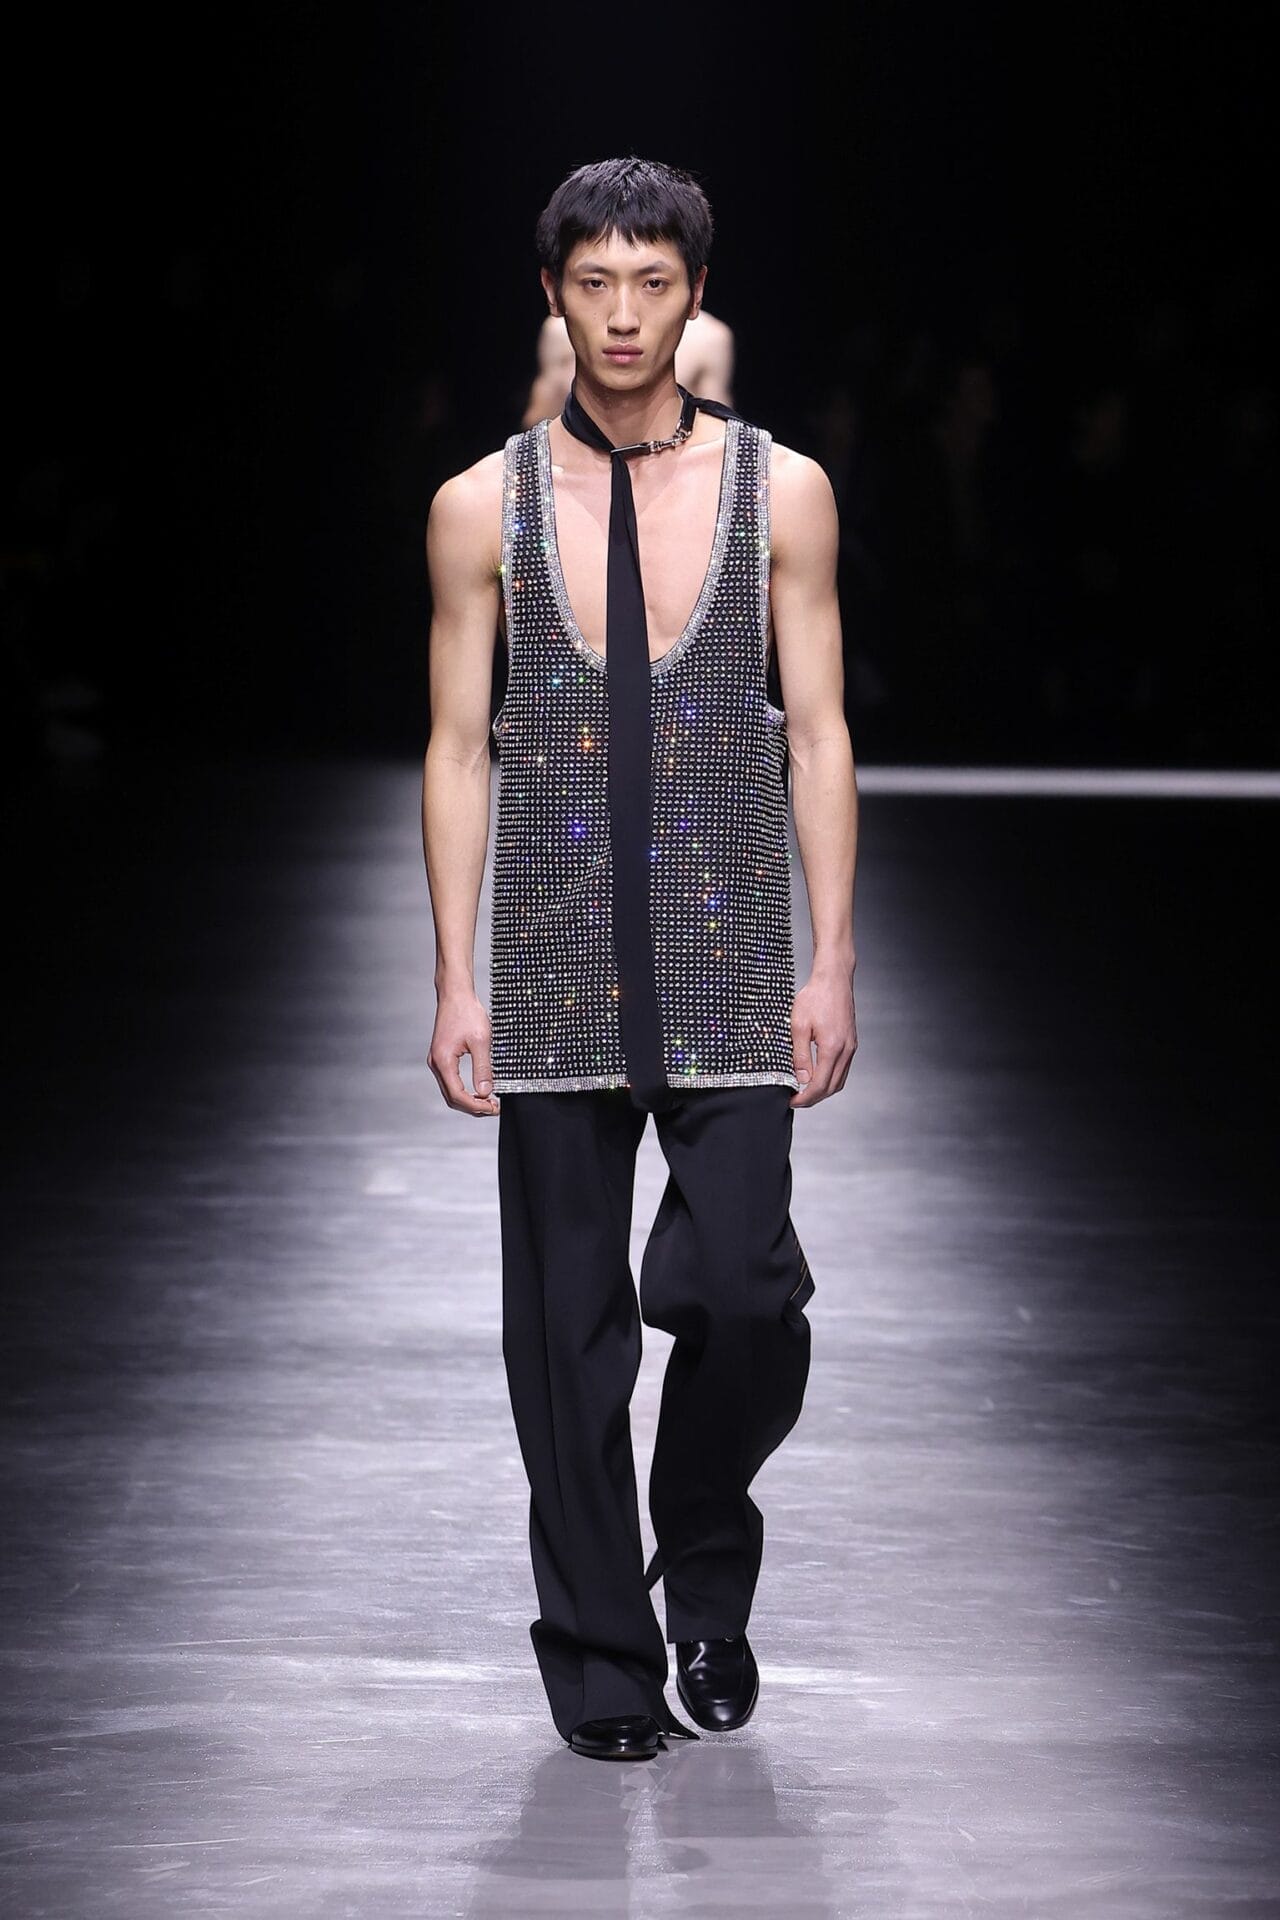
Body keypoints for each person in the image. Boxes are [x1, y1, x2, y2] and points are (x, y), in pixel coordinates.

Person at [421, 157, 859, 1763]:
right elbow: (457, 745)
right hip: (548, 953)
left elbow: (817, 732)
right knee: (566, 1337)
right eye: (594, 283)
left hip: (733, 948)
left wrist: (834, 958)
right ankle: (607, 1660)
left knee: (743, 1292)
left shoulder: (781, 492)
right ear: (553, 296)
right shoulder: (478, 508)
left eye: (652, 284)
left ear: (696, 294)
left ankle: (706, 1566)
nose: (622, 315)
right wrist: (454, 975)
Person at [522, 303, 735, 426]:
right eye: (596, 283)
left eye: (653, 283)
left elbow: (717, 427)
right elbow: (539, 416)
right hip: (574, 465)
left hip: (671, 469)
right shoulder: (563, 329)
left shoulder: (710, 337)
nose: (624, 324)